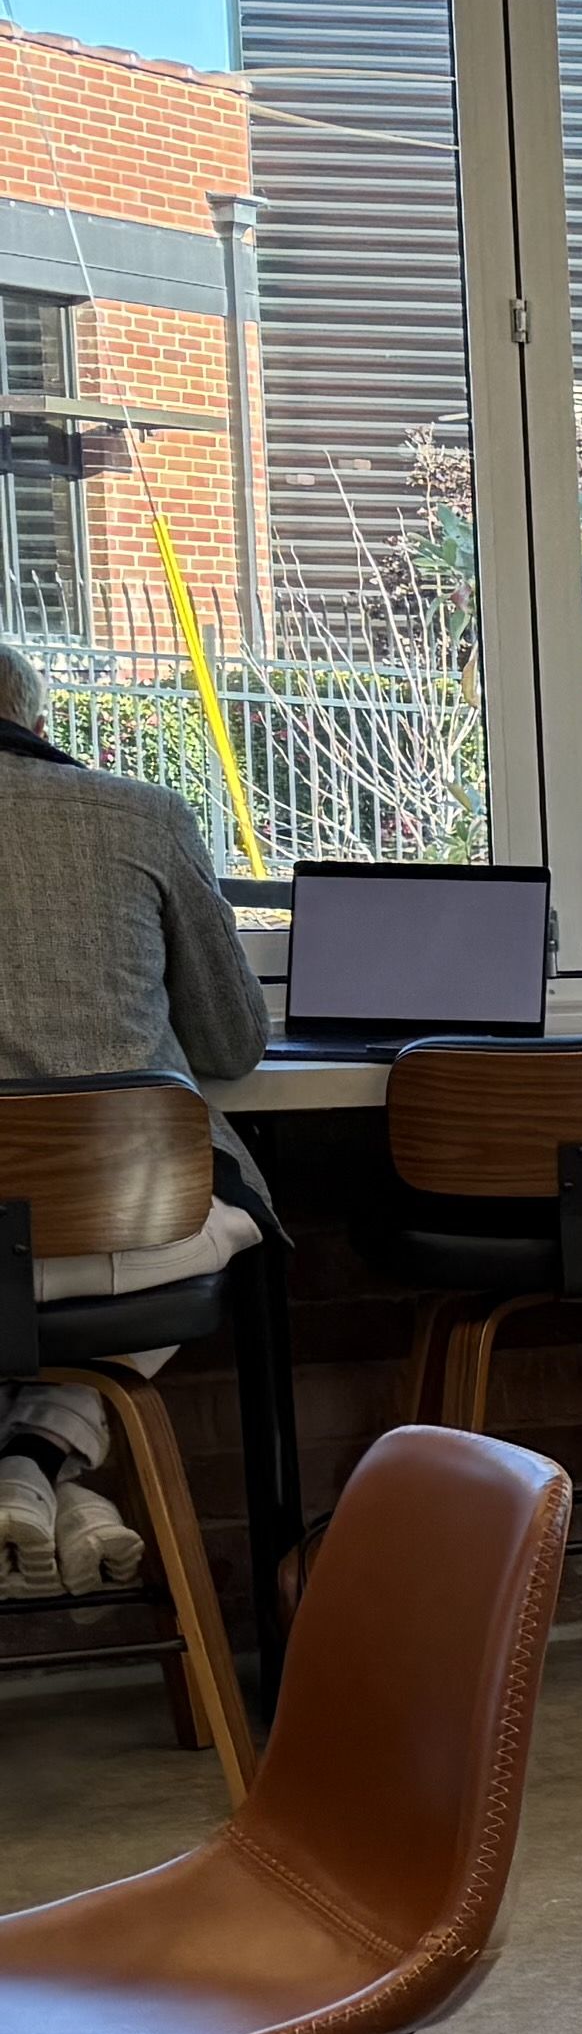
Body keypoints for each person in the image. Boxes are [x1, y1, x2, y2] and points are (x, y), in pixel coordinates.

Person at [0, 651, 271, 1599]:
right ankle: (42, 1459)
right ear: (38, 725)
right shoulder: (142, 815)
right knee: (229, 1223)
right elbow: (233, 1042)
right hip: (134, 1229)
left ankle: (28, 1467)